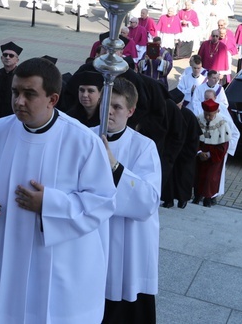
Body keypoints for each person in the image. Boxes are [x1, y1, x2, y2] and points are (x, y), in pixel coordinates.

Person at [0, 57, 116, 324]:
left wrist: (49, 203)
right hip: (8, 251)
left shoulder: (83, 141)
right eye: (15, 92)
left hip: (58, 259)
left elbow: (102, 202)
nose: (19, 101)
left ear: (53, 99)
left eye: (29, 94)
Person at [97, 78, 160, 323]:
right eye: (105, 104)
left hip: (129, 247)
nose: (109, 112)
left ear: (131, 111)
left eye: (117, 107)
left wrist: (113, 163)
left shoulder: (144, 147)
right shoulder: (84, 137)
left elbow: (147, 202)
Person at [162, 89, 200, 209]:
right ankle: (168, 200)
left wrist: (187, 153)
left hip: (184, 154)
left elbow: (194, 137)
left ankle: (182, 200)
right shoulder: (167, 113)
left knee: (183, 178)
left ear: (181, 104)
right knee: (168, 178)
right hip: (170, 152)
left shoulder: (189, 116)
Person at [193, 99, 232, 207]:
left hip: (214, 155)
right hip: (200, 154)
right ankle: (197, 196)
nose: (207, 117)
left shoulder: (222, 123)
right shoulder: (198, 119)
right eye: (206, 115)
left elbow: (223, 145)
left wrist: (209, 154)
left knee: (211, 178)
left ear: (216, 112)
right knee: (198, 176)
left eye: (210, 115)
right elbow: (193, 139)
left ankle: (208, 198)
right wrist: (199, 152)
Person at [0, 41, 22, 118]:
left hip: (14, 115)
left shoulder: (21, 76)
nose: (7, 57)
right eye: (5, 55)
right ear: (1, 58)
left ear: (17, 60)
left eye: (11, 55)